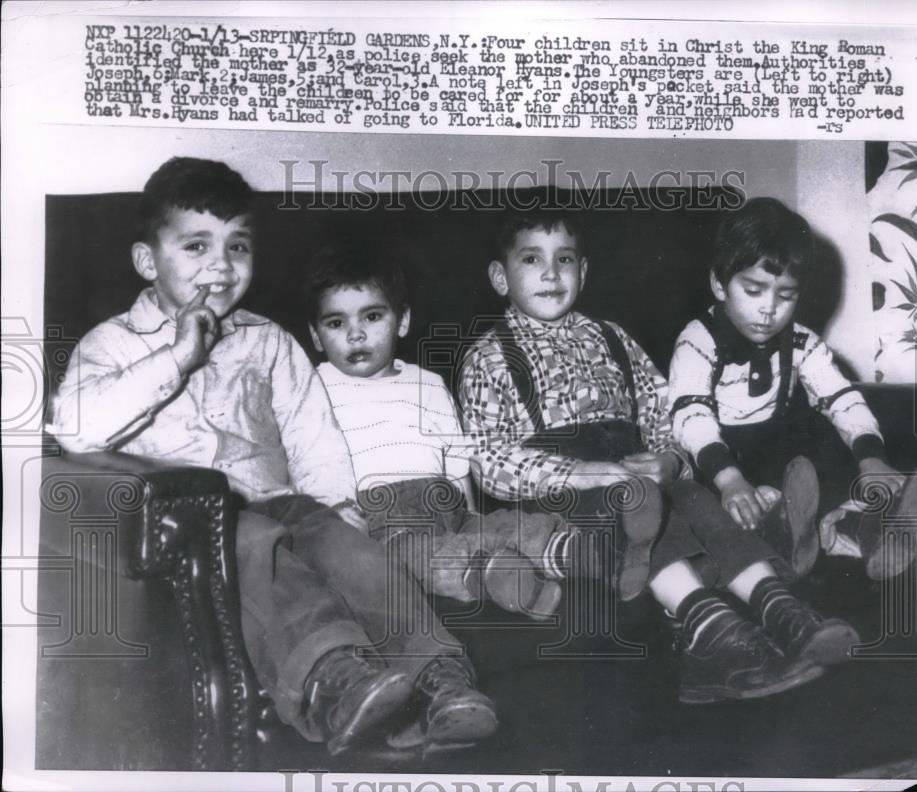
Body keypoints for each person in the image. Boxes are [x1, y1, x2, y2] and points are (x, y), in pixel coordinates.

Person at [48, 157, 495, 756]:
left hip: (286, 501)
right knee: (257, 542)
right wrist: (177, 357)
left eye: (238, 246)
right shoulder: (111, 343)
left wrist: (342, 513)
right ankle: (334, 681)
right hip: (199, 529)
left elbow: (314, 435)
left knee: (349, 549)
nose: (221, 265)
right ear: (147, 262)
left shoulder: (268, 340)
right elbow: (76, 429)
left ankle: (441, 680)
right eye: (197, 245)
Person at [458, 206, 858, 704]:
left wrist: (670, 460)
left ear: (583, 272)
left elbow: (663, 415)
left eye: (565, 259)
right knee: (631, 511)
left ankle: (781, 608)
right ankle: (712, 634)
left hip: (640, 475)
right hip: (561, 496)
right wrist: (576, 472)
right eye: (531, 259)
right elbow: (488, 461)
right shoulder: (489, 357)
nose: (550, 272)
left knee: (692, 496)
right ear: (500, 276)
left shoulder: (613, 338)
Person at [667, 197, 917, 580]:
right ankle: (783, 532)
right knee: (724, 495)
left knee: (820, 442)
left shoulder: (801, 341)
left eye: (785, 296)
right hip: (719, 456)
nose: (769, 310)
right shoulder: (698, 339)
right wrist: (729, 478)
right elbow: (691, 416)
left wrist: (870, 458)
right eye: (753, 290)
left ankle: (871, 528)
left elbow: (842, 399)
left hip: (780, 448)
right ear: (719, 284)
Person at [305, 240, 567, 620]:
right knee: (415, 555)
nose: (356, 334)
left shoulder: (427, 383)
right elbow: (306, 460)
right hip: (379, 518)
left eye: (372, 317)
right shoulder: (313, 387)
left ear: (403, 320)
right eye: (336, 323)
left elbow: (457, 462)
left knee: (505, 526)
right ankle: (493, 575)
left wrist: (472, 516)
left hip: (446, 504)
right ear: (315, 335)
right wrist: (330, 514)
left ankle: (574, 550)